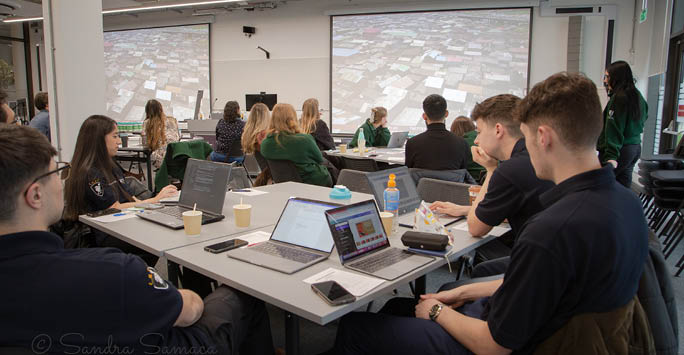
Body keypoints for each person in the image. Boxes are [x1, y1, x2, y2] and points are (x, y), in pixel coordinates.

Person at [331, 72, 649, 355]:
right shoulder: (627, 204)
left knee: (356, 327)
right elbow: (535, 286)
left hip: (508, 340)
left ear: (544, 137)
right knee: (405, 304)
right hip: (568, 333)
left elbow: (492, 344)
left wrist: (437, 314)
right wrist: (463, 291)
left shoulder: (549, 231)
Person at [0, 124, 275, 354]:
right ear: (35, 195)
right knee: (241, 292)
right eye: (55, 173)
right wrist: (186, 296)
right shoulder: (114, 271)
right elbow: (188, 310)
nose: (62, 182)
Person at [430, 94, 554, 277]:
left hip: (539, 267)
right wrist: (465, 210)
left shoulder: (510, 170)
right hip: (554, 258)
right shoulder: (535, 156)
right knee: (483, 270)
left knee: (467, 280)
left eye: (479, 131)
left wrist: (490, 169)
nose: (476, 140)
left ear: (498, 130)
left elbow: (475, 228)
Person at [64, 115, 177, 263]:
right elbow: (114, 207)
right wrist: (154, 200)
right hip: (104, 234)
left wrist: (154, 204)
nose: (119, 141)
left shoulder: (109, 165)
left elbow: (131, 198)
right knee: (156, 241)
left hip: (122, 225)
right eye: (115, 136)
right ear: (98, 140)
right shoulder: (90, 173)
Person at [597, 60, 648, 187]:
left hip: (619, 151)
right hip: (634, 148)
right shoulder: (637, 95)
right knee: (623, 188)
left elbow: (614, 129)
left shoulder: (619, 98)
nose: (605, 80)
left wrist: (611, 157)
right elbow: (645, 116)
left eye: (607, 76)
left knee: (600, 186)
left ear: (616, 77)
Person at [261, 103, 332, 187]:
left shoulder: (265, 144)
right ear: (293, 118)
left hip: (283, 184)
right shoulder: (304, 139)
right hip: (312, 182)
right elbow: (319, 159)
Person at [405, 94, 469, 170]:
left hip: (422, 182)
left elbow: (408, 172)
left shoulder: (412, 143)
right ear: (446, 114)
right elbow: (463, 172)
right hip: (450, 182)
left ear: (424, 116)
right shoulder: (462, 143)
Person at [141, 99, 180, 169]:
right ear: (161, 108)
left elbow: (145, 145)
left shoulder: (147, 123)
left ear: (147, 111)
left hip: (161, 159)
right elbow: (177, 137)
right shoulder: (172, 120)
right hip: (177, 155)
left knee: (152, 155)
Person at [451, 115, 486, 181]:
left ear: (454, 129)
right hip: (487, 178)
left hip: (469, 181)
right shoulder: (483, 139)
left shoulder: (458, 144)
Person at [241, 102, 271, 170]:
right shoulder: (265, 136)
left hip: (267, 174)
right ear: (266, 117)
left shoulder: (252, 137)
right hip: (277, 175)